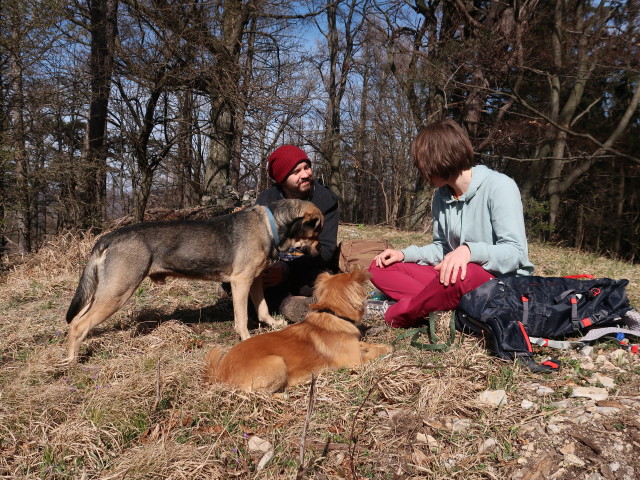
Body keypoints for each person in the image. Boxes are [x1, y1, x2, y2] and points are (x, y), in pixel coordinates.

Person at [368, 118, 534, 328]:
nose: (421, 171)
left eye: (422, 163)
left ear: (437, 159)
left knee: (465, 273)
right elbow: (442, 249)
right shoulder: (441, 196)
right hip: (452, 279)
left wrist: (469, 252)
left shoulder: (500, 186)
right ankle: (439, 306)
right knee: (379, 266)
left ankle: (396, 313)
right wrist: (403, 254)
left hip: (496, 282)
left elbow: (516, 253)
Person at [255, 145, 340, 322]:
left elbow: (327, 250)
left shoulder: (326, 201)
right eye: (296, 172)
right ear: (282, 179)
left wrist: (288, 268)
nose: (306, 175)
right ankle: (289, 304)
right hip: (271, 269)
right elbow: (257, 243)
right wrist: (271, 268)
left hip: (308, 267)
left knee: (318, 285)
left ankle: (296, 305)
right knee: (252, 282)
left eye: (307, 167)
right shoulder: (266, 201)